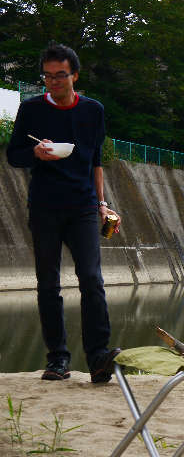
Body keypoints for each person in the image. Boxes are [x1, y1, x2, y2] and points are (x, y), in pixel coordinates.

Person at [6, 42, 121, 383]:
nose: (53, 82)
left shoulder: (93, 110)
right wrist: (36, 154)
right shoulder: (31, 110)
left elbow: (96, 161)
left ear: (75, 75)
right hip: (43, 206)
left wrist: (102, 203)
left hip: (84, 205)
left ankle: (99, 357)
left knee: (91, 279)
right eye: (47, 76)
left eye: (60, 76)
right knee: (48, 284)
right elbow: (14, 156)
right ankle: (58, 359)